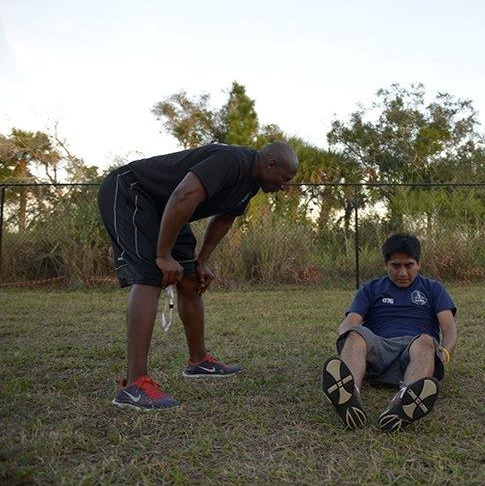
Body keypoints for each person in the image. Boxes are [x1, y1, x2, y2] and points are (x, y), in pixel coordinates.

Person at [97, 141, 299, 410]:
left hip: (168, 208)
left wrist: (202, 260)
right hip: (132, 191)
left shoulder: (250, 184)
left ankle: (199, 362)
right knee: (149, 276)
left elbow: (224, 219)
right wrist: (163, 255)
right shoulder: (232, 161)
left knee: (192, 279)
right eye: (285, 179)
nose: (284, 186)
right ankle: (134, 385)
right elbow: (184, 194)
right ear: (270, 165)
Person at [321, 233, 458, 432]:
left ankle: (403, 400)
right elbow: (350, 321)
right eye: (395, 266)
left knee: (427, 341)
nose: (402, 272)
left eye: (409, 265)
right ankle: (350, 395)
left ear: (418, 264)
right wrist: (348, 342)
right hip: (379, 350)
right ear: (386, 265)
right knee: (356, 334)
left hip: (416, 351)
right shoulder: (371, 289)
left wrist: (444, 353)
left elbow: (449, 328)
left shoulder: (433, 289)